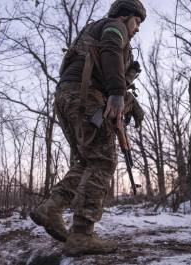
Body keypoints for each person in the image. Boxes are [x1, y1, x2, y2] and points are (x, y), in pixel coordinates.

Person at [30, 0, 146, 256]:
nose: (137, 29)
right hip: (84, 98)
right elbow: (111, 50)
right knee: (103, 161)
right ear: (126, 16)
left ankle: (51, 208)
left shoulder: (97, 31)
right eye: (137, 22)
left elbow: (103, 66)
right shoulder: (115, 28)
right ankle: (82, 234)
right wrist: (117, 93)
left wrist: (128, 98)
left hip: (68, 97)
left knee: (86, 160)